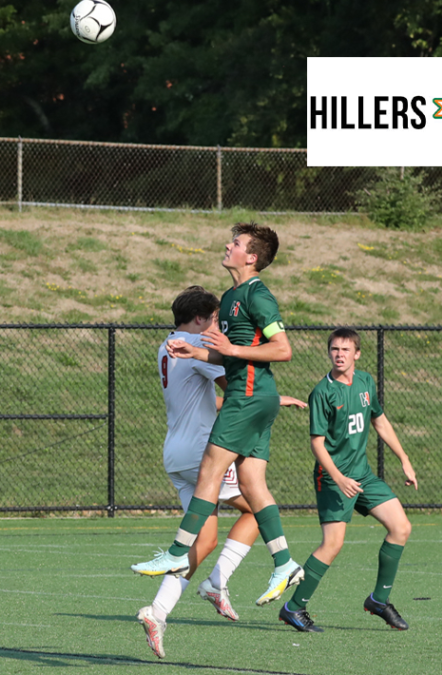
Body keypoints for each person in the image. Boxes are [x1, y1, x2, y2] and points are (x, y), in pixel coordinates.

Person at [131, 222, 306, 609]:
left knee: (210, 471)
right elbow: (228, 356)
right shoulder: (229, 299)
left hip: (247, 396)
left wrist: (231, 350)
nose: (228, 246)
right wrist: (197, 353)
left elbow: (282, 350)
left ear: (252, 257)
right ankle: (284, 563)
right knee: (252, 484)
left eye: (237, 243)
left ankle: (177, 552)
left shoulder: (258, 295)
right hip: (253, 395)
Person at [278, 328, 418, 633]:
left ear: (357, 354)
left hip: (362, 474)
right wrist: (338, 478)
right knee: (332, 544)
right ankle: (294, 607)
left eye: (345, 349)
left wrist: (404, 458)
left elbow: (380, 421)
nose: (339, 355)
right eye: (334, 349)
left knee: (401, 528)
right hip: (332, 478)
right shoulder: (322, 392)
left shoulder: (366, 382)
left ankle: (378, 600)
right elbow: (317, 444)